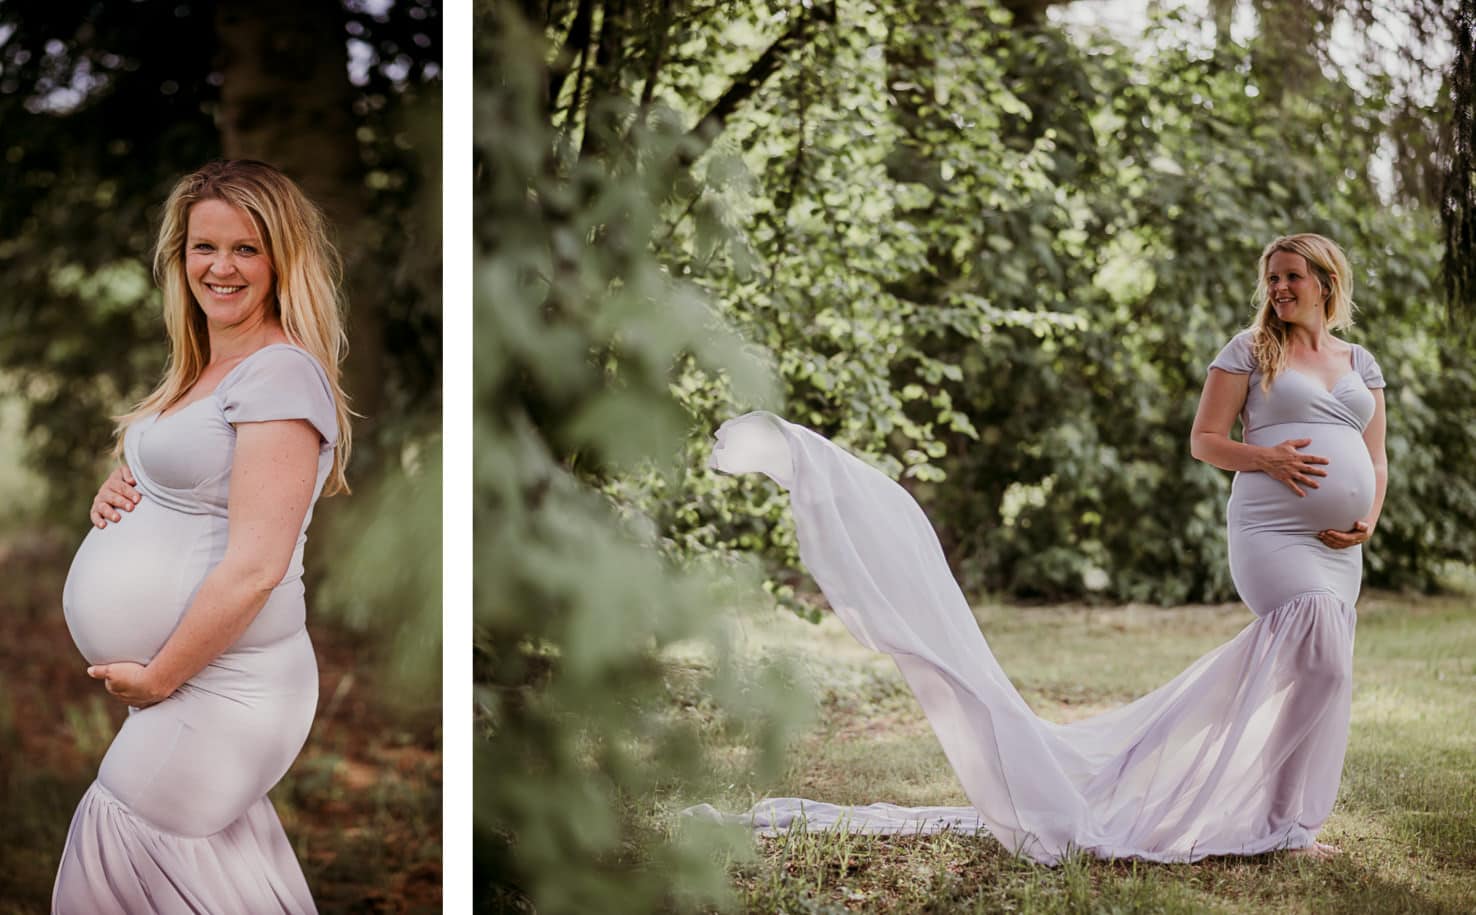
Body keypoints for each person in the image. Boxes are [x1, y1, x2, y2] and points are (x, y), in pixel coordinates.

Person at [688, 233, 1387, 864]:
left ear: (1327, 281)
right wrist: (1269, 461)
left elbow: (1375, 459)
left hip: (1337, 547)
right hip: (1271, 534)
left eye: (1292, 276)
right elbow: (1205, 440)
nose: (1278, 289)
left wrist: (1368, 516)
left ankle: (1290, 824)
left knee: (1321, 673)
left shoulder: (1361, 363)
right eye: (1271, 278)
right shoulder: (1250, 350)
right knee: (1319, 653)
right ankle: (1274, 817)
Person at [52, 159, 352, 913]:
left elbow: (255, 567)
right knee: (214, 881)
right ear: (178, 255)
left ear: (283, 258)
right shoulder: (212, 365)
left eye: (246, 248)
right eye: (202, 246)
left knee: (114, 851)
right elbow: (199, 485)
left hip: (226, 682)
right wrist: (128, 489)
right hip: (198, 678)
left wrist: (158, 679)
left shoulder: (279, 374)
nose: (220, 267)